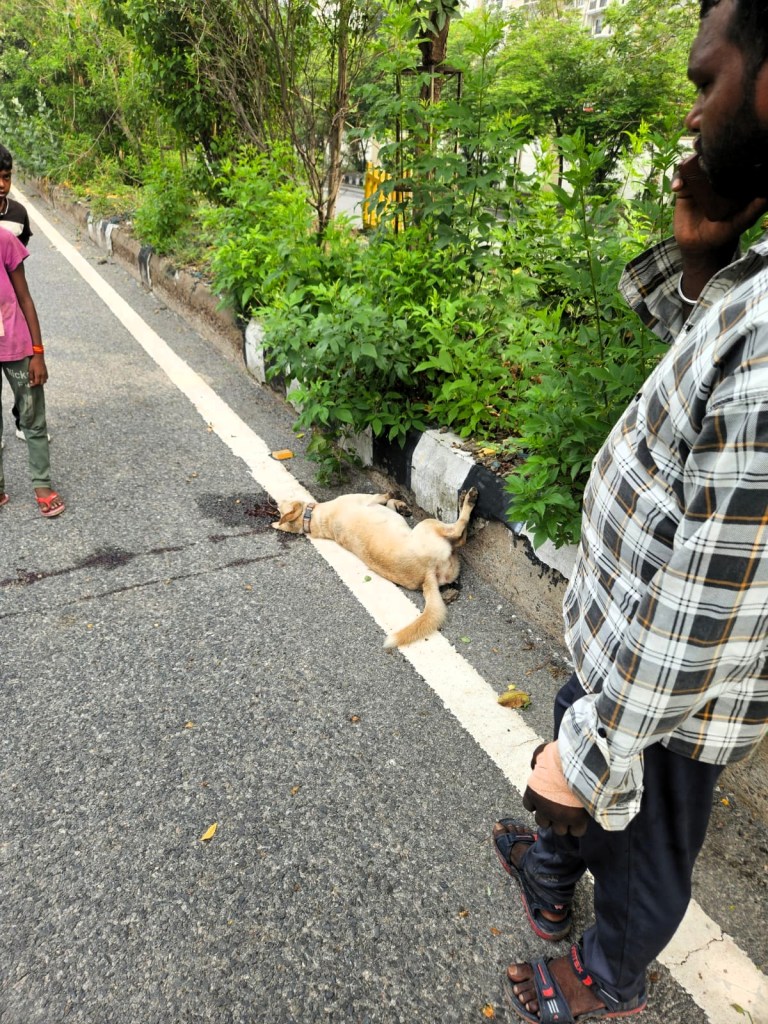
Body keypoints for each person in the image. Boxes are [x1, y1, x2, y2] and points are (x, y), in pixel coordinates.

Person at [493, 1, 768, 1020]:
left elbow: (713, 607)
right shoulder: (756, 293)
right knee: (583, 770)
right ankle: (554, 869)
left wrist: (591, 746)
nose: (692, 114)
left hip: (671, 695)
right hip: (626, 648)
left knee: (646, 846)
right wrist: (699, 261)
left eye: (707, 80)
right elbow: (700, 401)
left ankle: (609, 973)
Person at [0, 225, 64, 517]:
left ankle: (42, 484)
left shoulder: (4, 240)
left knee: (32, 416)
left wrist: (38, 352)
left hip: (16, 344)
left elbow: (24, 297)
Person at [0, 142, 42, 445]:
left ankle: (22, 417)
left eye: (6, 177)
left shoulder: (18, 214)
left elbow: (19, 259)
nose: (2, 185)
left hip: (11, 301)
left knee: (20, 365)